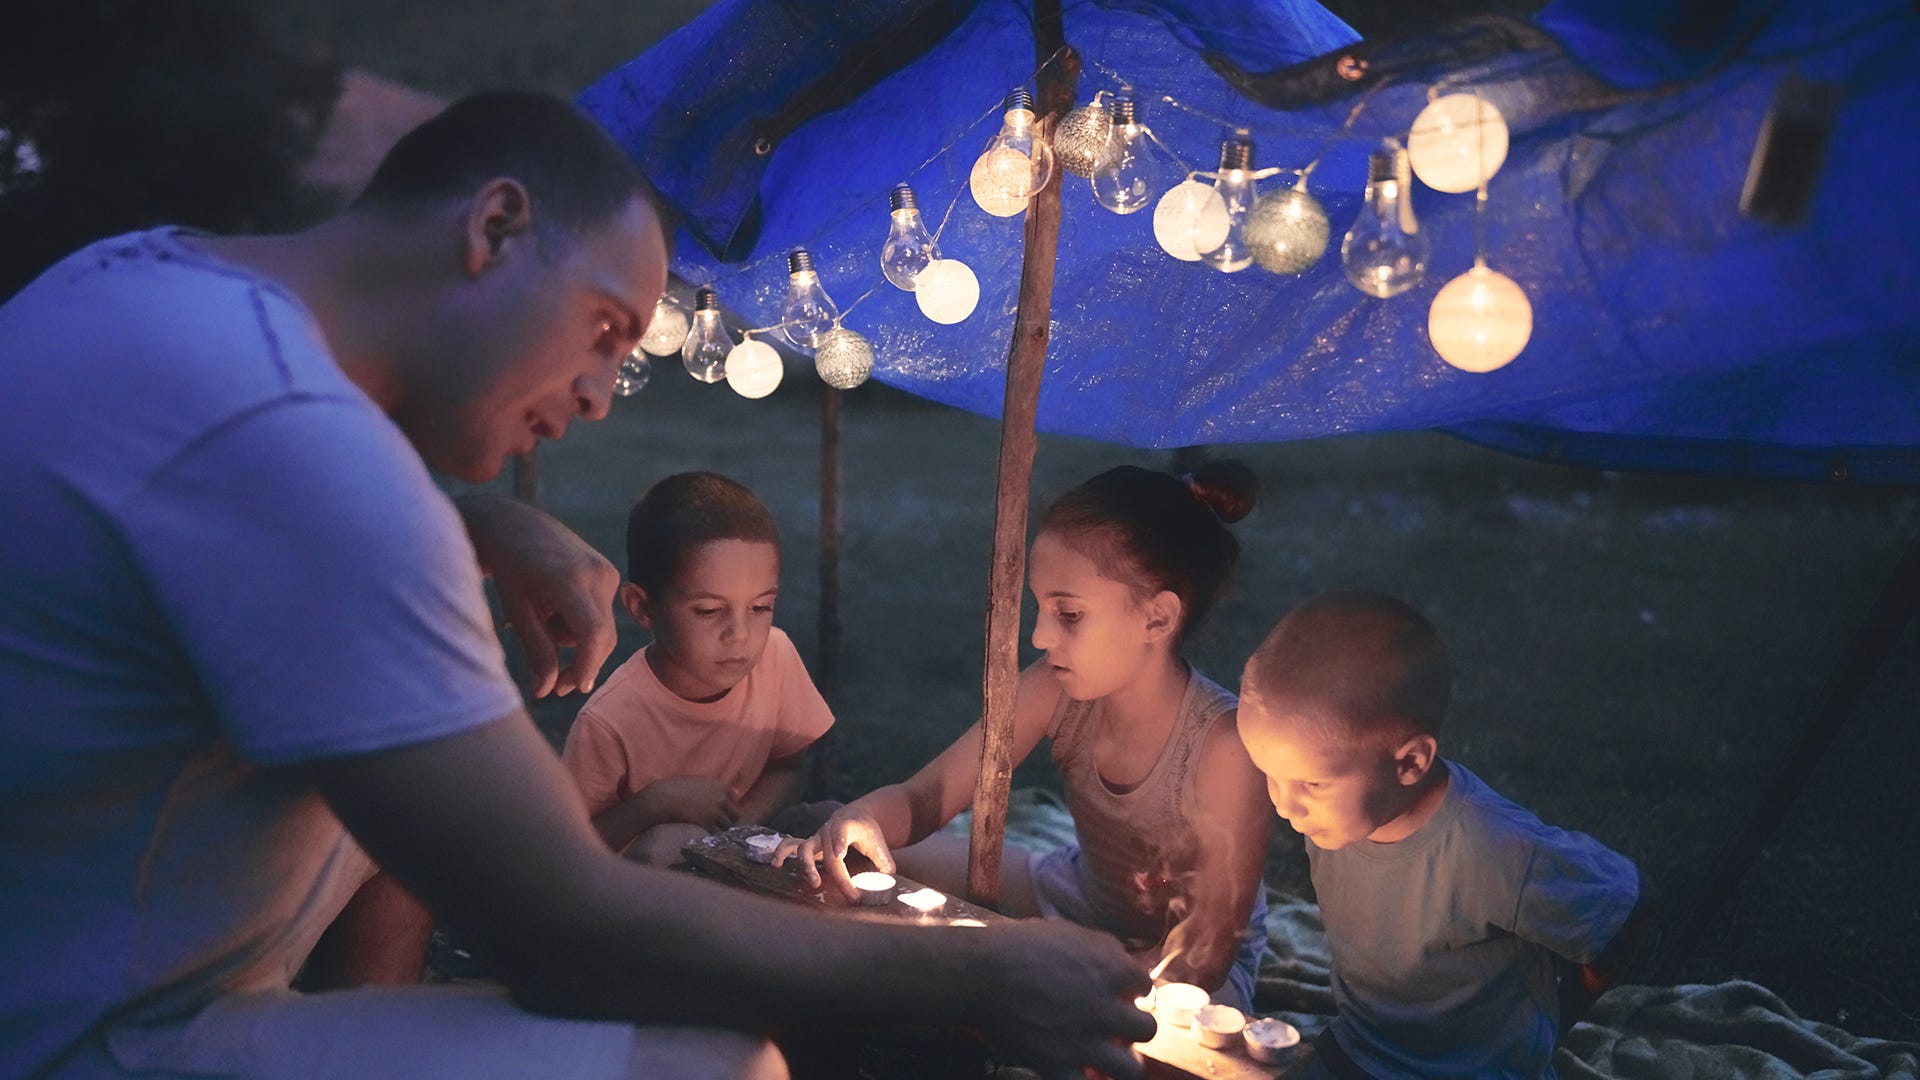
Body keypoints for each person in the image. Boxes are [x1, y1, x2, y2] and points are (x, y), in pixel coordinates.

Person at [0, 90, 1154, 1080]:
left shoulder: (138, 286)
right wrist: (981, 969)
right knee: (714, 1060)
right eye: (605, 327)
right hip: (93, 1034)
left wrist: (467, 522)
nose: (604, 390)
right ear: (495, 226)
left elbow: (213, 506)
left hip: (59, 940)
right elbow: (568, 930)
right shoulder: (293, 448)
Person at [781, 462, 1276, 1011]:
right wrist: (866, 816)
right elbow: (929, 795)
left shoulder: (1224, 746)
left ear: (1157, 619)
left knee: (1174, 1036)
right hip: (1075, 894)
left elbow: (1207, 951)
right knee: (845, 848)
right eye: (1041, 608)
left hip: (1189, 965)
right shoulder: (1052, 689)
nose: (1041, 636)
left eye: (1069, 614)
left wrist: (1080, 969)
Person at [1236, 589, 1644, 1079]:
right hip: (1360, 1050)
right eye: (1269, 774)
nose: (1284, 804)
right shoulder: (1335, 816)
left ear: (1409, 762)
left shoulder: (1494, 849)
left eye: (1311, 783)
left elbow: (1626, 908)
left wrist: (1559, 1017)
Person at [562, 471, 836, 864]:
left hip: (750, 839)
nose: (740, 635)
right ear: (642, 607)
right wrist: (654, 805)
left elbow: (787, 767)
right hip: (645, 884)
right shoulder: (609, 721)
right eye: (709, 610)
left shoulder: (775, 654)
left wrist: (736, 835)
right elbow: (569, 847)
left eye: (760, 607)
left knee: (831, 820)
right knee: (671, 843)